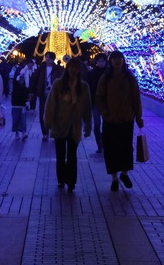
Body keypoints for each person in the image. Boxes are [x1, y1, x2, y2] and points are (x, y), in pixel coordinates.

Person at [96, 51, 143, 191]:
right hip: (110, 120)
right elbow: (99, 97)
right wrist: (105, 112)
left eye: (119, 59)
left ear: (123, 60)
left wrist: (138, 116)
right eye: (115, 59)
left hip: (126, 118)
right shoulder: (106, 77)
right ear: (111, 61)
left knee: (126, 147)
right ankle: (114, 178)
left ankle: (124, 173)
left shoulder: (129, 77)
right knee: (111, 148)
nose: (117, 61)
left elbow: (136, 97)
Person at [44, 59, 91, 193]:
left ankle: (71, 181)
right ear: (67, 68)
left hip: (74, 126)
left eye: (76, 68)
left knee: (72, 155)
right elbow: (51, 104)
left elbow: (87, 107)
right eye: (71, 68)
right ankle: (61, 179)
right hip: (60, 124)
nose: (73, 70)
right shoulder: (59, 84)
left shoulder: (84, 87)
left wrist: (88, 125)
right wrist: (48, 121)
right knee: (60, 154)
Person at [30, 52, 63, 140]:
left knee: (55, 113)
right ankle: (45, 133)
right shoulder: (41, 68)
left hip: (54, 95)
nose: (47, 59)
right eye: (46, 57)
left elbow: (62, 80)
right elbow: (34, 79)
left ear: (53, 59)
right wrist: (33, 90)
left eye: (49, 58)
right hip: (43, 94)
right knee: (42, 114)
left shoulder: (58, 69)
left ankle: (54, 131)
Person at [84, 53, 107, 153]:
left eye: (103, 61)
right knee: (97, 124)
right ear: (96, 62)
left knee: (107, 124)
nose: (101, 63)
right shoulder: (92, 74)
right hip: (95, 102)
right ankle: (99, 144)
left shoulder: (110, 73)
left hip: (108, 103)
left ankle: (105, 143)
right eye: (99, 61)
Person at [9, 60, 33, 140]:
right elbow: (23, 85)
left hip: (21, 99)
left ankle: (23, 132)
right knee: (17, 116)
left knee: (21, 116)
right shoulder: (22, 74)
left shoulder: (28, 73)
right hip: (17, 99)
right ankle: (17, 132)